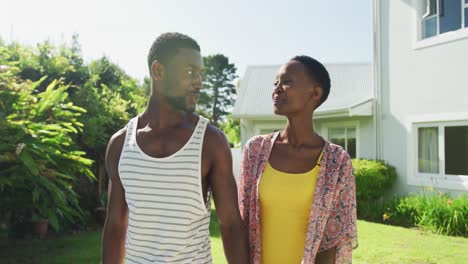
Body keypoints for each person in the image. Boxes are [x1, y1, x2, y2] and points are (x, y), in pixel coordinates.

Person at [102, 32, 249, 264]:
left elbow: (230, 223)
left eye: (200, 73)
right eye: (190, 72)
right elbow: (115, 225)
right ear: (158, 71)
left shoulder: (210, 142)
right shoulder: (120, 144)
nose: (199, 82)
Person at [238, 55, 358, 264]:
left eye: (287, 82)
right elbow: (241, 222)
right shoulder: (255, 151)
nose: (276, 89)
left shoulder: (337, 162)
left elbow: (334, 240)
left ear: (315, 92)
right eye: (276, 83)